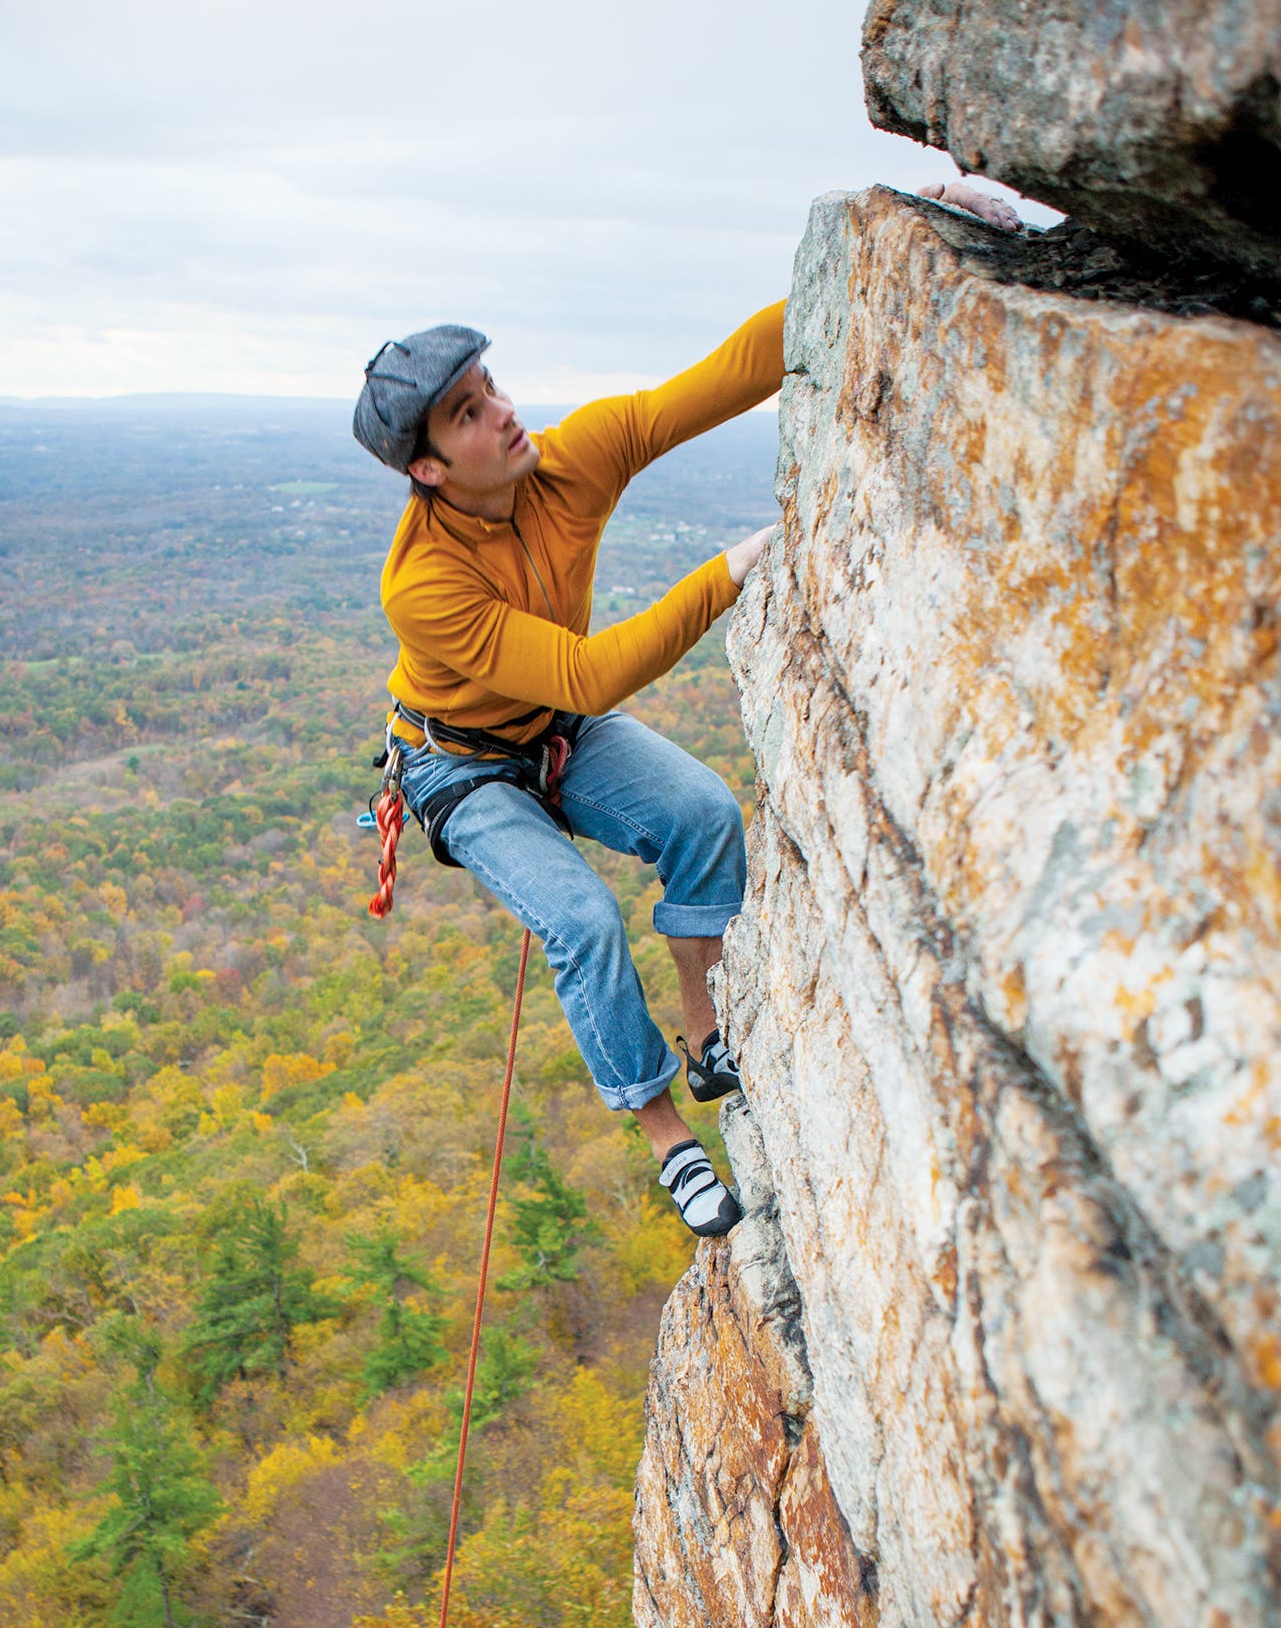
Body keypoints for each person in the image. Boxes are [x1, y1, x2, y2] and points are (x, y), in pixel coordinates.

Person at [350, 185, 1016, 1237]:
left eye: (492, 387)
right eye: (470, 413)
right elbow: (586, 677)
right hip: (458, 765)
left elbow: (727, 373)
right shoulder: (420, 582)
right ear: (428, 469)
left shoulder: (573, 460)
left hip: (547, 736)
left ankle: (710, 1036)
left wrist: (890, 226)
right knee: (577, 920)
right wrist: (723, 575)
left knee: (704, 815)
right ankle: (669, 1138)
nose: (504, 413)